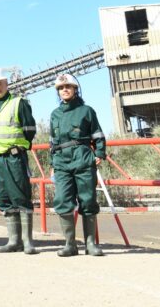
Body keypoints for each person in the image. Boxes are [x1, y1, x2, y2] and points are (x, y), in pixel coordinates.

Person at [49, 73, 106, 257]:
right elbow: (52, 142)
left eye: (68, 87)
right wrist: (53, 162)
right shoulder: (55, 114)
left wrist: (99, 153)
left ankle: (90, 244)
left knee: (88, 199)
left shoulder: (86, 111)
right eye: (61, 88)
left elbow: (97, 134)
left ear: (75, 89)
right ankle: (70, 244)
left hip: (82, 157)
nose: (64, 90)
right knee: (63, 200)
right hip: (61, 161)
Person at [0, 67, 38, 254]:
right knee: (3, 198)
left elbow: (30, 129)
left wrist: (20, 146)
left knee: (21, 196)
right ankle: (14, 240)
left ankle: (27, 241)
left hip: (14, 157)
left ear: (6, 83)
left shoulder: (18, 103)